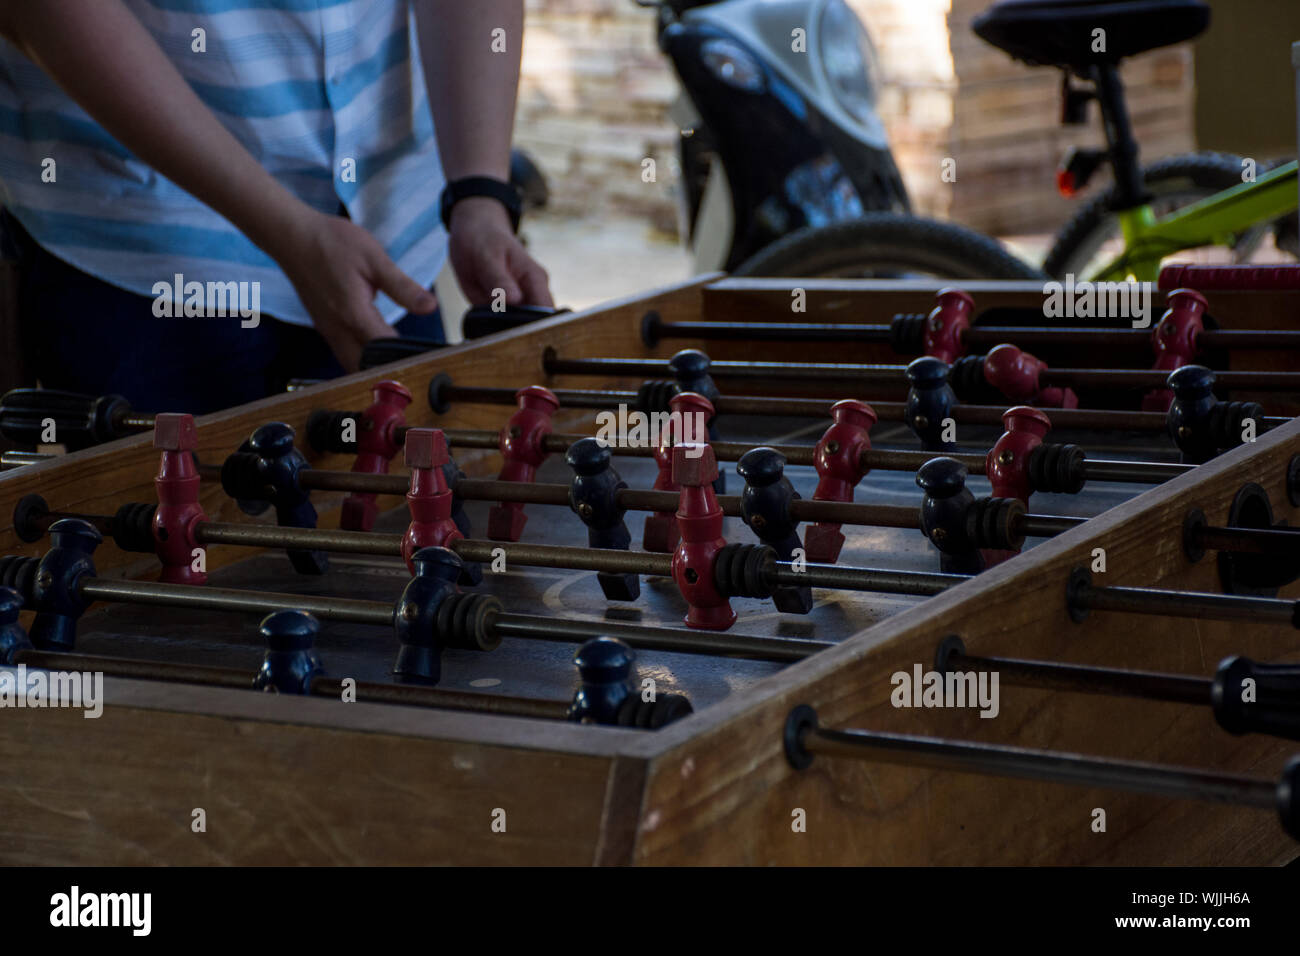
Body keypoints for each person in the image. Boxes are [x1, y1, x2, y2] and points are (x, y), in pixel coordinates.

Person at [0, 0, 553, 413]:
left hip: (393, 238)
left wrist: (480, 193)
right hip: (146, 252)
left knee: (410, 543)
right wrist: (288, 231)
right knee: (162, 553)